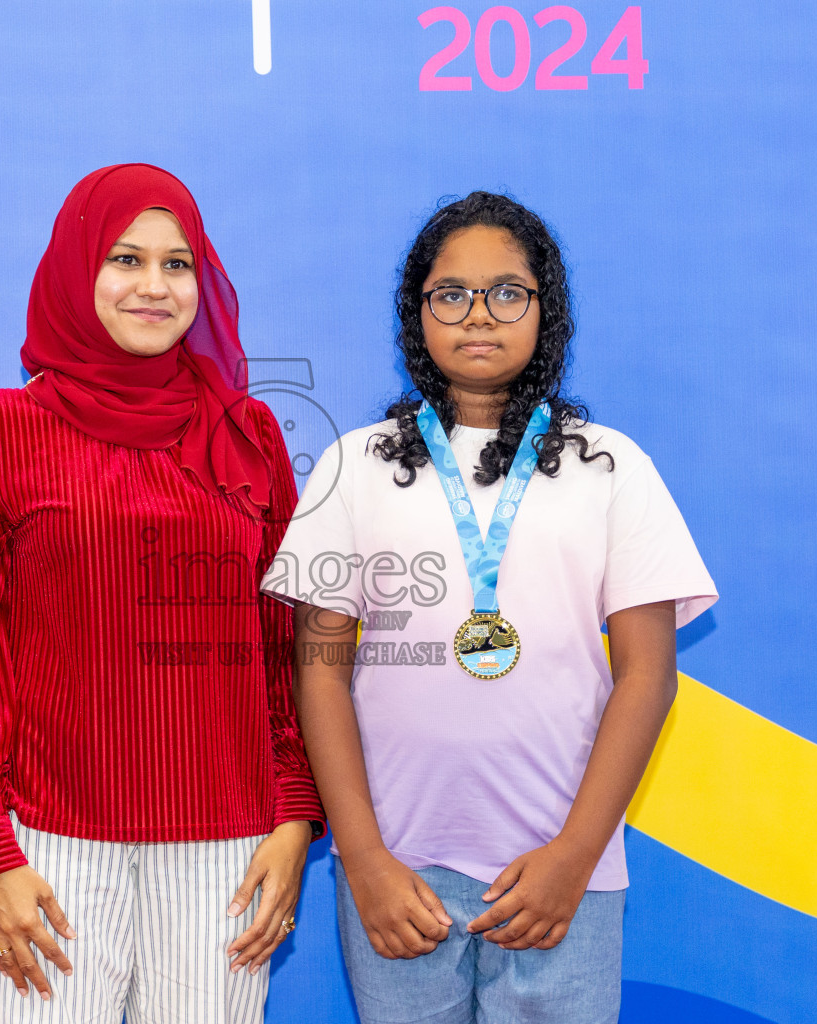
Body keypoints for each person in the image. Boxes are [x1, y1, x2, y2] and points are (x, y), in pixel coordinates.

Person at [262, 191, 717, 1024]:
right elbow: (318, 670)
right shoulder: (350, 467)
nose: (481, 315)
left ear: (548, 310)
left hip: (562, 873)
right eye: (452, 295)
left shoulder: (612, 468)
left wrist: (576, 855)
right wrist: (361, 857)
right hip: (398, 874)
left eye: (509, 292)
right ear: (417, 314)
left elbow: (647, 677)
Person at [0, 163, 323, 1024]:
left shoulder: (247, 433)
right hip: (47, 847)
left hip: (229, 847)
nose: (153, 286)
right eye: (125, 259)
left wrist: (294, 815)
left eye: (178, 264)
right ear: (76, 271)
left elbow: (283, 645)